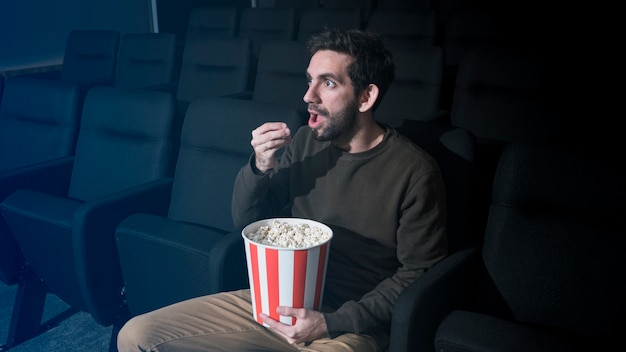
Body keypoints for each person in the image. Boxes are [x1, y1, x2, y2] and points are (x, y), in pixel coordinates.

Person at [117, 28, 448, 352]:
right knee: (136, 334)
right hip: (280, 301)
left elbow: (416, 275)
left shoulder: (415, 171)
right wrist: (259, 165)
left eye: (328, 83)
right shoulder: (305, 142)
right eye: (309, 80)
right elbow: (248, 221)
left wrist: (330, 322)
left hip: (350, 323)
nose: (308, 96)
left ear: (366, 97)